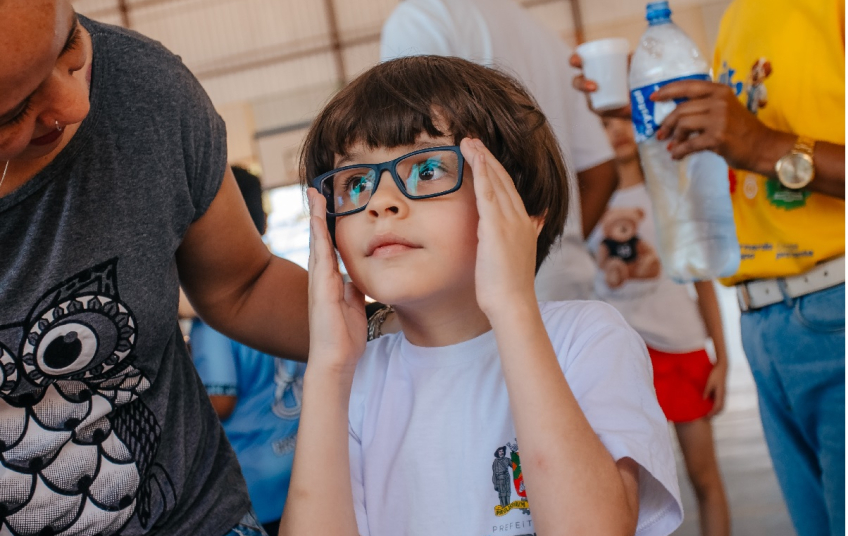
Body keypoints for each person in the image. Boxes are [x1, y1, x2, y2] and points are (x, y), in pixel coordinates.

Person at [280, 55, 683, 536]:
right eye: (356, 182)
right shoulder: (356, 381)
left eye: (427, 168)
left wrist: (512, 307)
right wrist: (327, 367)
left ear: (524, 207)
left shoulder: (586, 339)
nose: (381, 203)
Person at [0, 1, 309, 535]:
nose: (75, 104)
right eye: (15, 110)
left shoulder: (145, 88)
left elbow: (243, 283)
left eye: (71, 49)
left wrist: (393, 322)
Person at [573, 1, 844, 534]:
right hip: (765, 320)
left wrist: (763, 146)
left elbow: (755, 143)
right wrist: (662, 118)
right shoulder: (738, 19)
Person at [380, 0, 620, 301]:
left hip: (479, 299)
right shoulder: (546, 39)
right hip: (565, 281)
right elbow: (602, 171)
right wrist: (547, 246)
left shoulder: (420, 19)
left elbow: (411, 157)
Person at [589, 117, 731, 536]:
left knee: (704, 479)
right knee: (623, 494)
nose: (615, 131)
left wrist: (722, 359)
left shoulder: (667, 193)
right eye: (602, 123)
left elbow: (702, 281)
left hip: (681, 347)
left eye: (623, 120)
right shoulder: (586, 200)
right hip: (619, 359)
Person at [189, 167, 305, 536]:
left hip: (258, 483)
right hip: (304, 461)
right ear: (266, 220)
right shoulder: (291, 289)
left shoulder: (214, 320)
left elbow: (221, 402)